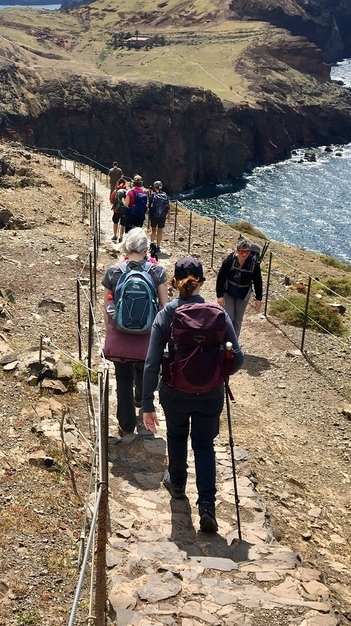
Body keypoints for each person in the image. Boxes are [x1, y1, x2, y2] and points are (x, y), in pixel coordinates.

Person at [142, 257, 244, 532]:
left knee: (176, 437)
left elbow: (151, 362)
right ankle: (207, 505)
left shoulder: (167, 314)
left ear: (174, 281)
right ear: (202, 281)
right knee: (204, 445)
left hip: (175, 391)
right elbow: (238, 358)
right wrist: (218, 375)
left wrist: (147, 402)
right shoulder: (218, 314)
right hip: (210, 393)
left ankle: (177, 486)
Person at [102, 228, 168, 437]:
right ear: (146, 248)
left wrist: (109, 333)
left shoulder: (114, 272)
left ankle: (126, 424)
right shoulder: (157, 272)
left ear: (126, 247)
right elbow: (164, 307)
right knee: (145, 369)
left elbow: (107, 308)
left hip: (121, 335)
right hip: (148, 336)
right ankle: (141, 397)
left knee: (122, 378)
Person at [215, 238, 263, 337]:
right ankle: (226, 341)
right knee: (229, 317)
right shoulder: (230, 260)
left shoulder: (254, 264)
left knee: (238, 319)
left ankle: (234, 343)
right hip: (228, 292)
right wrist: (220, 295)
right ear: (237, 251)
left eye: (247, 252)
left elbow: (258, 281)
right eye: (242, 251)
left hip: (243, 294)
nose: (244, 254)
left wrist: (258, 298)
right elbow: (221, 277)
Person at [148, 181, 170, 252]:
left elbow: (149, 206)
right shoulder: (165, 195)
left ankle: (152, 245)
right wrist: (168, 215)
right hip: (162, 216)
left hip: (154, 215)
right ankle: (158, 246)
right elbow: (167, 206)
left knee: (153, 230)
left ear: (154, 187)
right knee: (160, 230)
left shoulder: (152, 195)